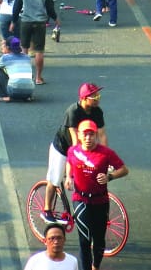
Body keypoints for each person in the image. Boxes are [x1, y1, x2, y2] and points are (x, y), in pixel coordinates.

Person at [66, 119, 129, 270]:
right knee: (85, 240)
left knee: (99, 240)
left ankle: (96, 266)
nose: (88, 138)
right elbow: (69, 161)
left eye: (91, 135)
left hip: (100, 201)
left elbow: (124, 169)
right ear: (79, 136)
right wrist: (68, 176)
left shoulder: (106, 153)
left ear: (96, 136)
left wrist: (110, 177)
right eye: (85, 135)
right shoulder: (73, 151)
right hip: (81, 200)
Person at [45, 83, 106, 221]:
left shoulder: (97, 112)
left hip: (84, 146)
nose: (98, 98)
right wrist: (72, 172)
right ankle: (47, 209)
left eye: (98, 95)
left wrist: (105, 158)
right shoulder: (73, 111)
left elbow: (102, 135)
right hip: (62, 148)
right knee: (55, 179)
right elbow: (75, 141)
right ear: (84, 98)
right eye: (94, 96)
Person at [13, 0, 58, 86]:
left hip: (25, 20)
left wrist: (13, 21)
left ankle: (25, 76)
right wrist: (55, 18)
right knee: (39, 51)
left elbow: (17, 6)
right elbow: (49, 7)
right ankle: (38, 77)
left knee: (24, 49)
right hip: (39, 22)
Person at [0, 36, 34, 102]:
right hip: (30, 91)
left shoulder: (5, 58)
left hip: (13, 91)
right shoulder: (27, 57)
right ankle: (27, 96)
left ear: (7, 47)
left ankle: (1, 96)